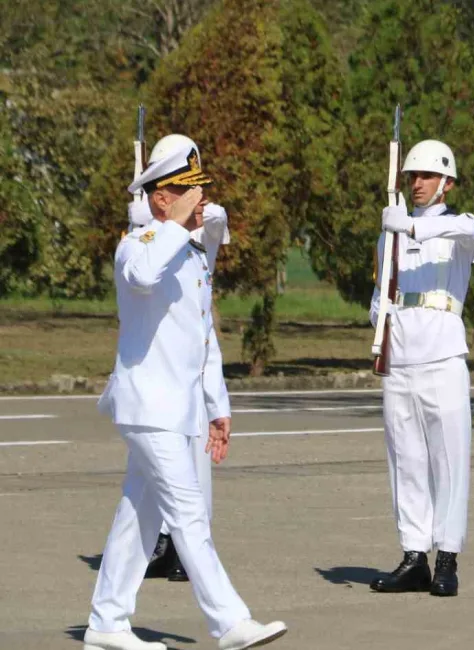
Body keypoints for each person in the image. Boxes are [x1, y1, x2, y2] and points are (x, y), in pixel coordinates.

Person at [85, 134, 286, 650]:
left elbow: (204, 339)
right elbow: (144, 274)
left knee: (139, 517)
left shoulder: (192, 256)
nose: (201, 202)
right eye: (188, 192)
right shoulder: (139, 246)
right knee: (188, 511)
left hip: (180, 408)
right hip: (148, 406)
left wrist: (218, 407)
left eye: (202, 191)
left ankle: (107, 623)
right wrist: (175, 226)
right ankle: (230, 622)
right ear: (161, 198)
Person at [368, 139, 474, 597]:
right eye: (412, 177)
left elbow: (467, 232)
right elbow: (381, 293)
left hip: (442, 354)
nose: (416, 184)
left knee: (448, 460)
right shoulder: (389, 232)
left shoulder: (459, 227)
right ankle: (414, 554)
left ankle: (447, 558)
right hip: (401, 355)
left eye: (426, 176)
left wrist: (410, 231)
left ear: (447, 183)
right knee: (407, 459)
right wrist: (378, 322)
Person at [127, 197, 232, 583]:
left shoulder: (201, 235)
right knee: (154, 477)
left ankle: (190, 554)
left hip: (192, 365)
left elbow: (217, 223)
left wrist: (197, 212)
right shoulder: (152, 239)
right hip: (158, 370)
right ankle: (165, 544)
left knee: (195, 468)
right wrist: (147, 217)